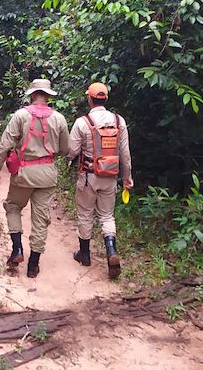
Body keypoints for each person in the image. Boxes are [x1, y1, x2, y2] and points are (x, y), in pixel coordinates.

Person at [0, 78, 69, 278]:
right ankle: (33, 265)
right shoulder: (59, 118)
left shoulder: (20, 116)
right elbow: (64, 149)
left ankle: (17, 249)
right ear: (49, 96)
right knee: (41, 219)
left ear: (33, 95)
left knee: (13, 207)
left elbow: (5, 144)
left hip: (23, 174)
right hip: (47, 174)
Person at [68, 82, 133, 279]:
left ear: (89, 99)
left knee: (85, 214)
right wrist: (127, 178)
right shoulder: (119, 120)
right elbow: (125, 154)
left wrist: (69, 160)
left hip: (88, 176)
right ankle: (111, 251)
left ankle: (84, 255)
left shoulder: (82, 122)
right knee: (107, 216)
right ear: (105, 99)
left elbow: (71, 151)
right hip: (111, 177)